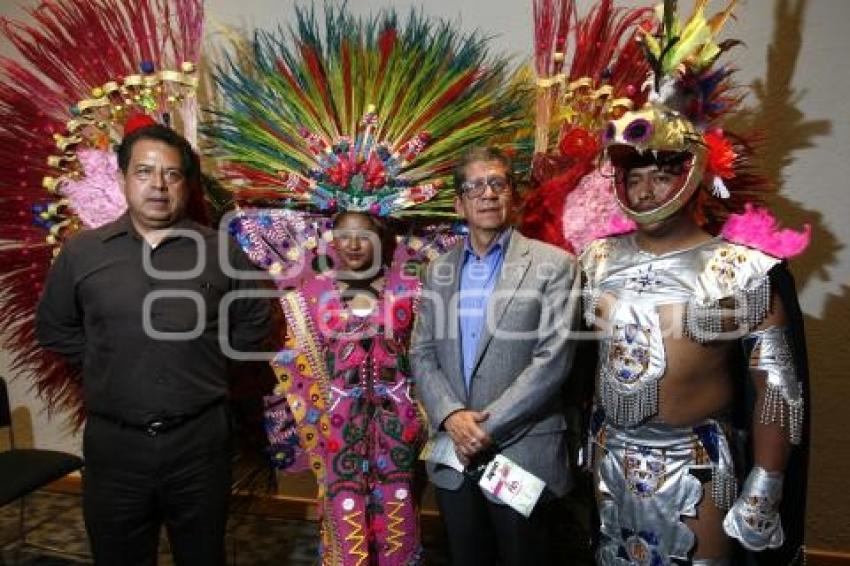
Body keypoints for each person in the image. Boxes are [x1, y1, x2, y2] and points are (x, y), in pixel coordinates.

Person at [583, 100, 809, 565]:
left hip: (695, 460)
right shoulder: (595, 260)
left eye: (661, 175)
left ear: (691, 177)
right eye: (634, 178)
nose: (645, 191)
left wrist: (767, 481)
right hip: (610, 452)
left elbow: (777, 389)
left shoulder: (740, 269)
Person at [36, 123, 272, 565]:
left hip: (200, 443)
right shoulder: (83, 252)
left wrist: (202, 362)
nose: (158, 186)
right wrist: (109, 364)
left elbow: (254, 319)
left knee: (203, 555)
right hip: (115, 446)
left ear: (186, 183)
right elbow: (55, 328)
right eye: (144, 172)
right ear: (123, 177)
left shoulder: (220, 251)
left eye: (172, 174)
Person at [411, 146, 579, 565]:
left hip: (522, 451)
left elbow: (553, 360)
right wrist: (451, 416)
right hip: (454, 451)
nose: (487, 194)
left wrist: (483, 428)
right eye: (475, 186)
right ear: (459, 203)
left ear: (513, 195)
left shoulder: (555, 265)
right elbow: (422, 351)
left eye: (497, 183)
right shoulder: (438, 270)